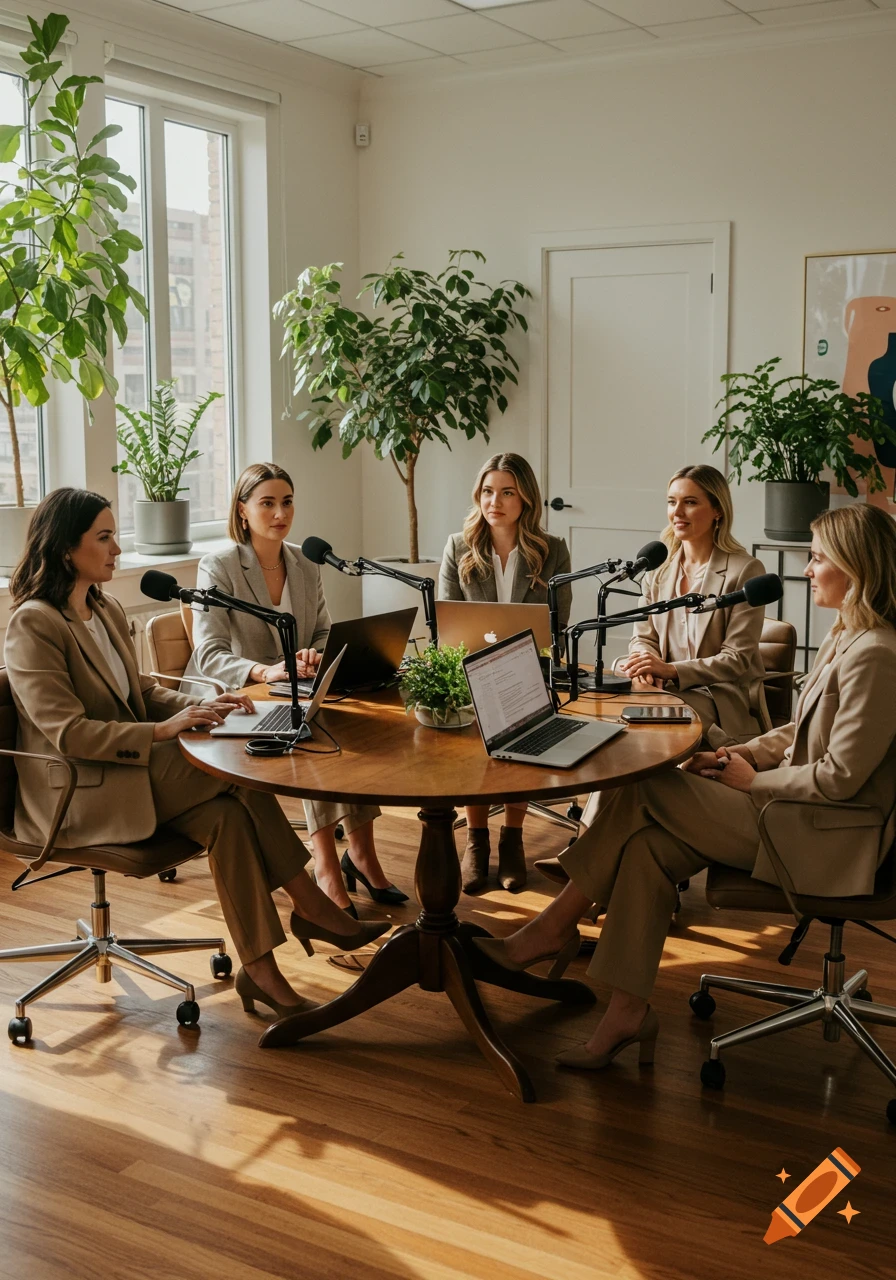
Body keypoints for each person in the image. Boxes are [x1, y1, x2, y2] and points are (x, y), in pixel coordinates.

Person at [475, 503, 896, 1070]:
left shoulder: (877, 655)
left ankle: (550, 927)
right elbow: (800, 732)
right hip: (792, 810)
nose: (809, 569)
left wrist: (755, 780)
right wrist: (738, 753)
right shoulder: (850, 635)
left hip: (821, 836)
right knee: (648, 849)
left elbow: (842, 777)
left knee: (643, 786)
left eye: (819, 558)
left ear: (856, 568)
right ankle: (627, 1014)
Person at [4, 489, 389, 1022]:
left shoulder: (104, 609)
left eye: (116, 534)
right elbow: (68, 733)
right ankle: (314, 906)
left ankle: (261, 972)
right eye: (105, 536)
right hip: (74, 790)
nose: (117, 547)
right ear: (67, 549)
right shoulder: (33, 624)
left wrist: (206, 705)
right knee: (237, 769)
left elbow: (137, 689)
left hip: (128, 772)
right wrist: (164, 730)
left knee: (227, 817)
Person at [185, 463, 407, 916]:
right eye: (266, 502)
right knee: (314, 731)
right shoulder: (219, 566)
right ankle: (327, 865)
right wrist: (267, 672)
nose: (280, 512)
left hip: (296, 692)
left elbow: (323, 632)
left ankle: (361, 854)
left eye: (286, 501)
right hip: (237, 697)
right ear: (242, 511)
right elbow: (209, 654)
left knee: (348, 724)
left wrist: (313, 658)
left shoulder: (305, 561)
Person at [535, 463, 766, 885]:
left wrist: (671, 671)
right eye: (672, 502)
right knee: (617, 729)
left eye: (690, 502)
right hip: (658, 690)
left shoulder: (743, 571)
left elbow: (740, 659)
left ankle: (586, 854)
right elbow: (642, 636)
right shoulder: (659, 568)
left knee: (638, 735)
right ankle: (608, 861)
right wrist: (642, 665)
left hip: (714, 698)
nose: (677, 512)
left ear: (717, 510)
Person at [439, 452, 572, 895]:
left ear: (526, 498)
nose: (495, 501)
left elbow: (558, 621)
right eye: (488, 490)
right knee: (477, 730)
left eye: (507, 492)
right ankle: (476, 840)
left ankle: (512, 838)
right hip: (471, 667)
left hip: (530, 666)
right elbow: (446, 622)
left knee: (522, 731)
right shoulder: (458, 546)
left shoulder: (552, 550)